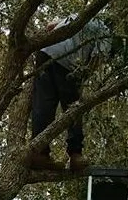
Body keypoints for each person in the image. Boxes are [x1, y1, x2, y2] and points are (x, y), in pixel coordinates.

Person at [28, 15, 114, 171]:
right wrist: (83, 77)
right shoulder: (106, 33)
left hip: (45, 53)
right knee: (74, 108)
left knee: (43, 105)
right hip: (67, 62)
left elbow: (50, 26)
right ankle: (75, 154)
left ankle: (39, 154)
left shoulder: (78, 15)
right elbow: (98, 57)